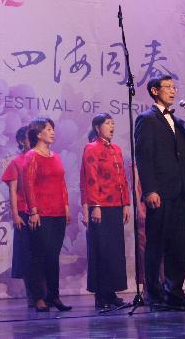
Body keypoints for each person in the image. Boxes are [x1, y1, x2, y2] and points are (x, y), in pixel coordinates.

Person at [134, 75, 185, 311]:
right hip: (160, 192)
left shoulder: (179, 121)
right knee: (156, 244)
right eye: (168, 87)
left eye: (175, 87)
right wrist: (150, 189)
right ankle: (154, 295)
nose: (173, 91)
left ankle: (174, 293)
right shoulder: (147, 119)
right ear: (154, 91)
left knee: (179, 245)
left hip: (180, 191)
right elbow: (144, 157)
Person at [80, 113, 131, 309]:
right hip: (101, 206)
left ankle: (111, 293)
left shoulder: (116, 149)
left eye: (113, 123)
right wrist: (95, 206)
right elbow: (91, 179)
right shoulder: (92, 148)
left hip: (116, 206)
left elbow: (123, 179)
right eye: (107, 123)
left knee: (114, 251)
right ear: (97, 127)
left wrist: (126, 203)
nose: (112, 126)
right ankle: (101, 296)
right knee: (101, 250)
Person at [24, 118, 72, 312]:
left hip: (58, 212)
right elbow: (28, 185)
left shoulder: (56, 156)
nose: (52, 132)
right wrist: (33, 211)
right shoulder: (32, 156)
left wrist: (66, 207)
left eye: (53, 129)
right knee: (39, 256)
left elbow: (62, 184)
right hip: (41, 213)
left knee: (53, 255)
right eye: (48, 129)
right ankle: (38, 297)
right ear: (38, 134)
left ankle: (54, 295)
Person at [1, 125, 36, 306]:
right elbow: (13, 191)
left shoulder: (44, 158)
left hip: (45, 212)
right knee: (27, 254)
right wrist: (15, 214)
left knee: (43, 254)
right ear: (22, 141)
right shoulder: (18, 162)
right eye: (30, 137)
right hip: (24, 212)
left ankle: (48, 294)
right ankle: (34, 296)